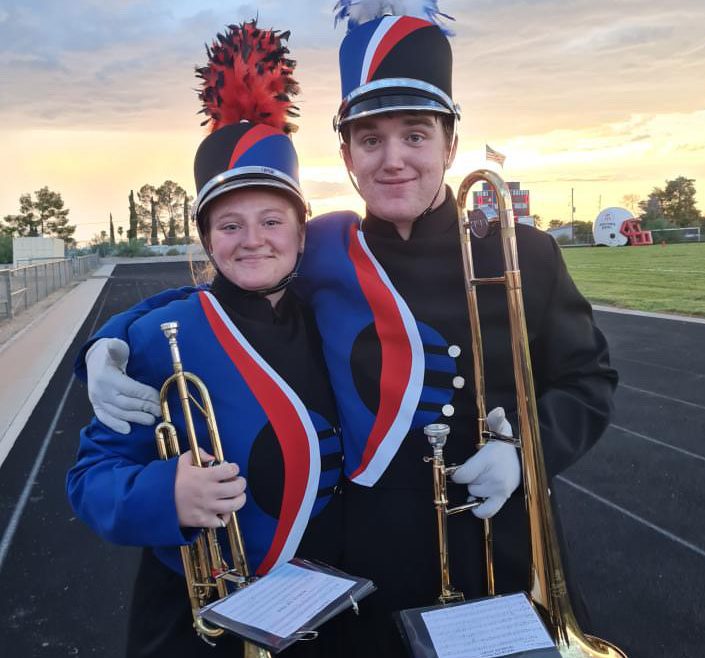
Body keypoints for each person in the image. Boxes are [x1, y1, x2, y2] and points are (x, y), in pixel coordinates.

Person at [76, 4, 618, 657]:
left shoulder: (522, 251)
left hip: (496, 547)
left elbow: (588, 380)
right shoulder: (329, 247)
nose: (393, 160)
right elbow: (219, 291)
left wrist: (526, 454)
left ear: (449, 144)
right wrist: (106, 343)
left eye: (415, 135)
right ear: (347, 156)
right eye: (370, 140)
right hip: (372, 569)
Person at [67, 21, 343, 658]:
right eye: (230, 224)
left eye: (273, 220)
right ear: (206, 239)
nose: (253, 240)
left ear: (302, 232)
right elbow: (90, 480)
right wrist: (165, 494)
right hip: (199, 622)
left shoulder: (328, 313)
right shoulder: (155, 337)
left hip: (322, 601)